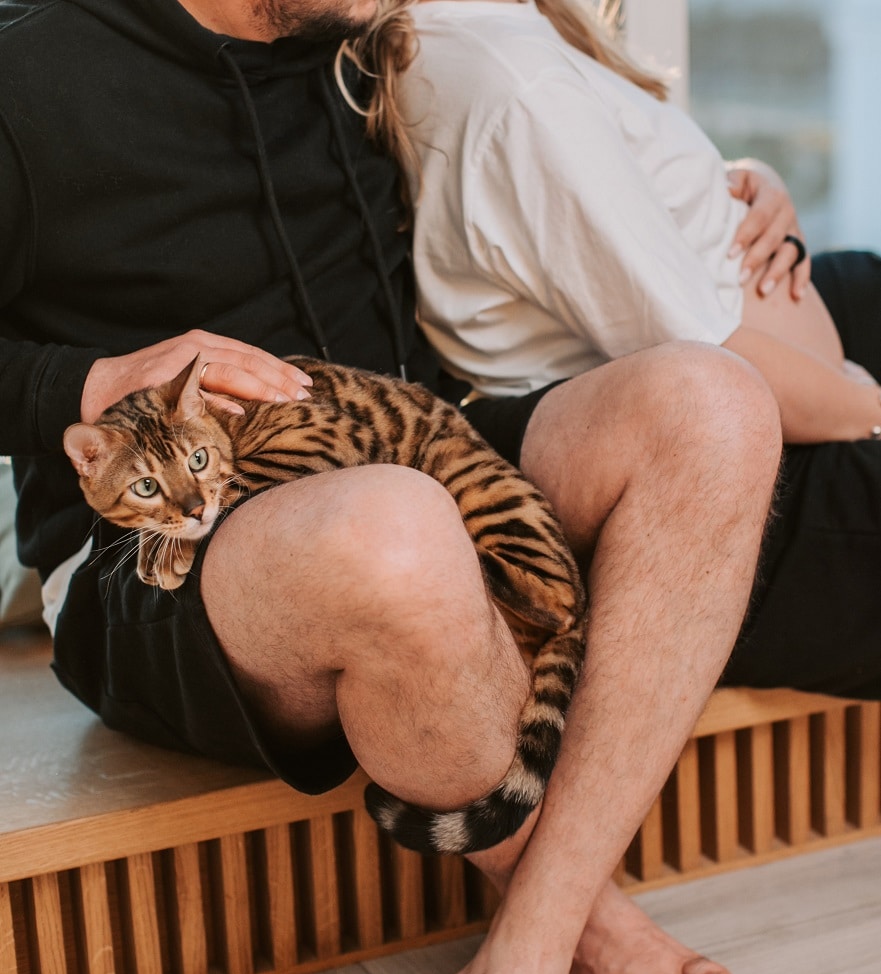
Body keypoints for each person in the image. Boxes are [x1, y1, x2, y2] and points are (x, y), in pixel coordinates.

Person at [0, 0, 782, 974]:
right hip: (157, 555)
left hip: (418, 442)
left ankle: (526, 942)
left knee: (712, 405)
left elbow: (565, 129)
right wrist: (92, 377)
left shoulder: (364, 35)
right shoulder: (30, 69)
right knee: (396, 537)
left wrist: (734, 183)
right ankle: (584, 925)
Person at [364, 0, 881, 701]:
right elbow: (710, 355)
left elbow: (597, 207)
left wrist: (734, 183)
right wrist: (865, 404)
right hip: (730, 450)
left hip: (761, 375)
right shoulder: (510, 83)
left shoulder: (503, 37)